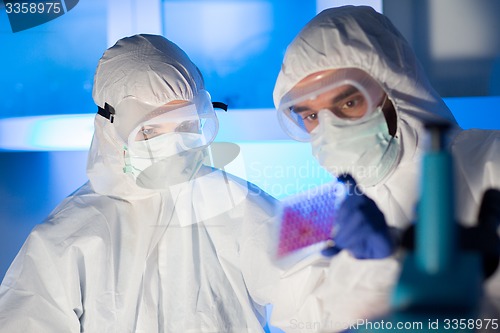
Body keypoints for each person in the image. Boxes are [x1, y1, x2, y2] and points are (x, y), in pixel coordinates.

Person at [0, 34, 290, 333]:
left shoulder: (238, 206)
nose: (172, 144)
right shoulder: (71, 235)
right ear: (109, 127)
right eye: (150, 130)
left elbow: (316, 291)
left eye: (186, 126)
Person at [272, 5, 500, 331]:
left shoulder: (492, 162)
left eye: (349, 102)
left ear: (397, 88)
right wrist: (365, 271)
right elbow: (300, 323)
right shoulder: (311, 218)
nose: (330, 129)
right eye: (310, 115)